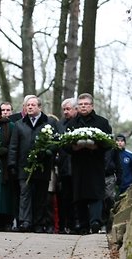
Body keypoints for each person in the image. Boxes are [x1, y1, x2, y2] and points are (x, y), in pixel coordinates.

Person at [8, 96, 59, 233]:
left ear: (39, 107)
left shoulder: (49, 123)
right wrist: (12, 164)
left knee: (40, 196)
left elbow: (56, 142)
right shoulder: (19, 124)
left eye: (32, 105)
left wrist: (48, 152)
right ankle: (25, 221)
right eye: (27, 105)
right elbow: (14, 146)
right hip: (24, 166)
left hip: (42, 166)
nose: (29, 107)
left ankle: (38, 223)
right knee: (25, 194)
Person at [65, 93, 112, 234]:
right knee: (79, 195)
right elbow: (64, 144)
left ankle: (95, 221)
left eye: (86, 104)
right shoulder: (72, 123)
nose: (83, 107)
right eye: (81, 104)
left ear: (92, 106)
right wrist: (74, 147)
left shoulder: (102, 122)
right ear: (77, 107)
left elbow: (109, 143)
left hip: (95, 163)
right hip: (78, 163)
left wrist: (97, 146)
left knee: (96, 193)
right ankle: (83, 225)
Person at [55, 98, 78, 234]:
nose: (66, 112)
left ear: (75, 109)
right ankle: (65, 225)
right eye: (64, 109)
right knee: (65, 198)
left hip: (77, 166)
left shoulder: (79, 123)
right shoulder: (60, 124)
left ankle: (77, 224)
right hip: (64, 166)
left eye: (68, 109)